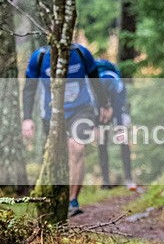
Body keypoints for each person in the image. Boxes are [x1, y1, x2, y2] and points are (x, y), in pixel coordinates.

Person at [21, 42, 112, 216]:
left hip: (82, 109)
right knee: (56, 156)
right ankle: (54, 198)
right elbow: (29, 89)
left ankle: (73, 200)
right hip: (52, 113)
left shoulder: (81, 53)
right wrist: (27, 118)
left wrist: (104, 105)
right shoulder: (39, 57)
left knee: (77, 147)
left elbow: (95, 80)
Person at [95, 58, 136, 191]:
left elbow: (118, 109)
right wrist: (96, 125)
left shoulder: (114, 86)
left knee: (122, 138)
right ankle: (105, 180)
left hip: (119, 103)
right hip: (100, 104)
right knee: (101, 140)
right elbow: (93, 109)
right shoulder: (93, 89)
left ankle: (129, 179)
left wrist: (119, 127)